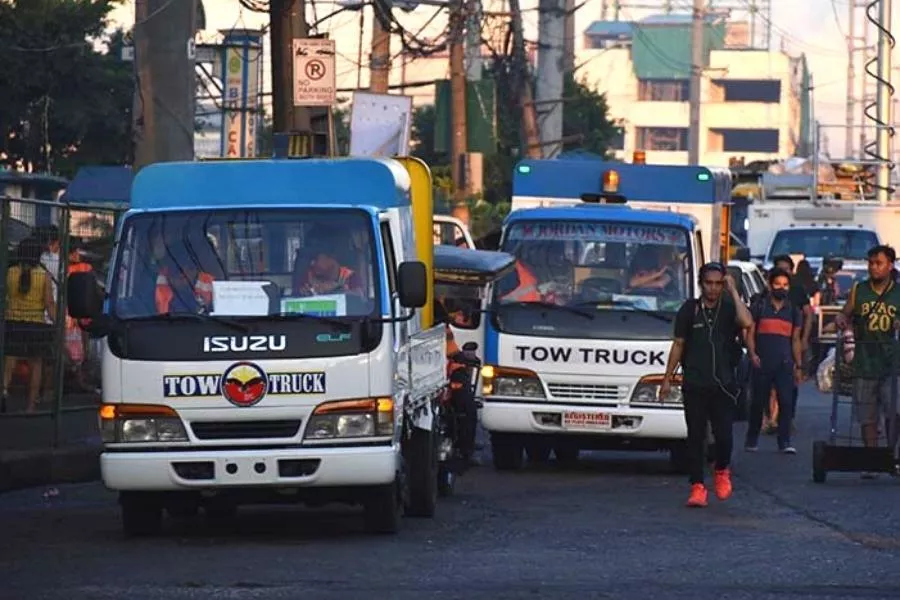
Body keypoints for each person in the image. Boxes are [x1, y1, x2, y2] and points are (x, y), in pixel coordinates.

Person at [661, 262, 753, 507]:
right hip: (695, 383)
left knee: (724, 436)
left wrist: (733, 292)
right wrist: (668, 378)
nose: (713, 289)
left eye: (718, 284)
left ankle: (722, 470)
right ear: (701, 284)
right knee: (695, 436)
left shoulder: (728, 308)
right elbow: (678, 344)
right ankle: (697, 486)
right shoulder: (689, 310)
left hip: (723, 385)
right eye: (709, 283)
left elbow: (746, 322)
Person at [835, 245, 900, 476]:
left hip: (893, 365)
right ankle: (872, 460)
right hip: (864, 361)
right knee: (867, 415)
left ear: (890, 266)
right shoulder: (859, 290)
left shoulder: (898, 293)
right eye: (871, 263)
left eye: (879, 263)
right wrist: (842, 320)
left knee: (895, 413)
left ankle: (891, 458)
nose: (874, 267)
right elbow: (845, 313)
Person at [745, 268, 803, 454]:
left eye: (785, 285)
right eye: (778, 284)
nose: (781, 288)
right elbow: (750, 332)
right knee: (758, 403)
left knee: (786, 403)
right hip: (763, 363)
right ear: (770, 286)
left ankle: (784, 442)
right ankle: (752, 439)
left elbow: (795, 339)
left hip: (784, 364)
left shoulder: (793, 311)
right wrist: (753, 354)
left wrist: (798, 365)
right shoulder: (760, 307)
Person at [3, 238, 56, 412]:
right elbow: (49, 303)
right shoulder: (43, 275)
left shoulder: (9, 272)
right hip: (36, 325)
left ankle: (3, 390)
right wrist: (57, 322)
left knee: (9, 361)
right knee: (36, 365)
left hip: (13, 322)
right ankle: (31, 405)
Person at [772, 254, 813, 426]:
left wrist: (804, 338)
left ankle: (787, 417)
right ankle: (772, 418)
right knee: (771, 382)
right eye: (779, 269)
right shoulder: (768, 291)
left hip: (793, 342)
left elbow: (809, 314)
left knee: (791, 381)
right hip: (773, 343)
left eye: (786, 270)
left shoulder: (797, 290)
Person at [151, 228, 215, 314]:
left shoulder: (210, 282)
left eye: (188, 266)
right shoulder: (154, 280)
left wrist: (188, 287)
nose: (182, 272)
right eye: (175, 265)